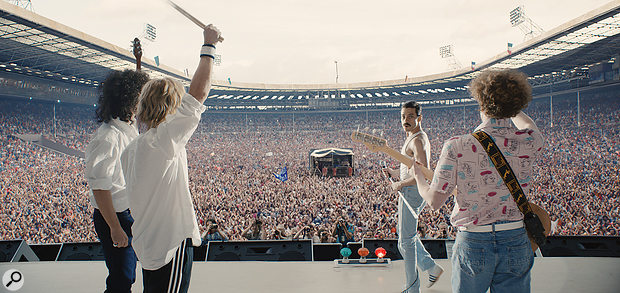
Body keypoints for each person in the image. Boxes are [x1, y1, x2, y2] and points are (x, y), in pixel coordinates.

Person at [410, 69, 544, 293]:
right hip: (516, 238)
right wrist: (511, 108)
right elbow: (530, 126)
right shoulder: (528, 140)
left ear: (481, 104)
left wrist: (419, 178)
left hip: (474, 240)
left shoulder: (457, 145)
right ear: (515, 105)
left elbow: (434, 201)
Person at [121, 25, 223, 293]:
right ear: (171, 107)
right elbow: (198, 95)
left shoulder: (132, 149)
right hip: (170, 245)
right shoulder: (163, 143)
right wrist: (208, 46)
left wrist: (140, 66)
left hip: (147, 243)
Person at [84, 40, 149, 293]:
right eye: (138, 100)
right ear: (127, 102)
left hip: (129, 212)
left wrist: (138, 63)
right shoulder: (107, 138)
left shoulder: (126, 124)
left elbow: (139, 88)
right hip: (114, 216)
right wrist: (115, 229)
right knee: (122, 278)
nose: (141, 106)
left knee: (130, 272)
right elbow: (100, 189)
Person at [382, 101, 443, 292]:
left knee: (405, 242)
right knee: (407, 236)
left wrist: (400, 183)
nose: (405, 120)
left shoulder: (417, 140)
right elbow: (412, 167)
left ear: (419, 117)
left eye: (410, 116)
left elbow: (423, 172)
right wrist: (395, 172)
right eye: (403, 116)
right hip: (412, 191)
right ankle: (431, 267)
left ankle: (412, 287)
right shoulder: (413, 137)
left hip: (412, 193)